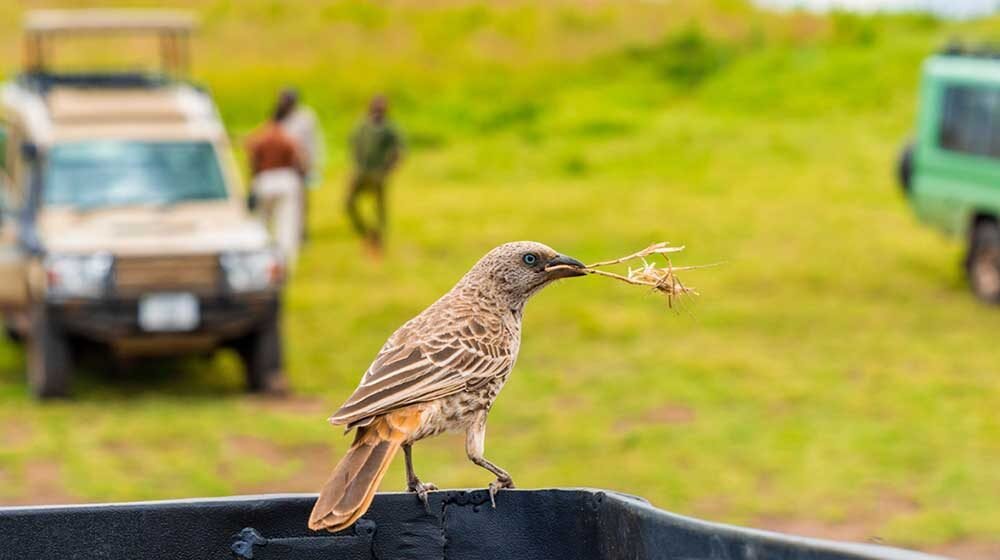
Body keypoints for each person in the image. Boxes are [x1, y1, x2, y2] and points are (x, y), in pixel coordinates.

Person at [246, 100, 306, 264]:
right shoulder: (286, 136)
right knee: (286, 226)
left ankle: (259, 259)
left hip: (264, 180)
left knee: (262, 223)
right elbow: (299, 161)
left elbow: (252, 160)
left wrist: (253, 183)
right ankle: (284, 262)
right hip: (286, 180)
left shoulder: (261, 135)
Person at [346, 95, 403, 256]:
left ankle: (378, 239)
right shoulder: (363, 125)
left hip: (378, 175)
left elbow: (398, 152)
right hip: (361, 172)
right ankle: (365, 232)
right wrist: (355, 166)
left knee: (379, 209)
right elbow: (354, 145)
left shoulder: (389, 129)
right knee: (349, 203)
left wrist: (388, 169)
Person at [277, 88, 325, 241]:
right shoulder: (279, 117)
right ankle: (289, 232)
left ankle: (303, 232)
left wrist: (315, 163)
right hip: (284, 165)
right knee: (286, 201)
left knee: (302, 201)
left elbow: (314, 140)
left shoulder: (306, 117)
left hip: (302, 165)